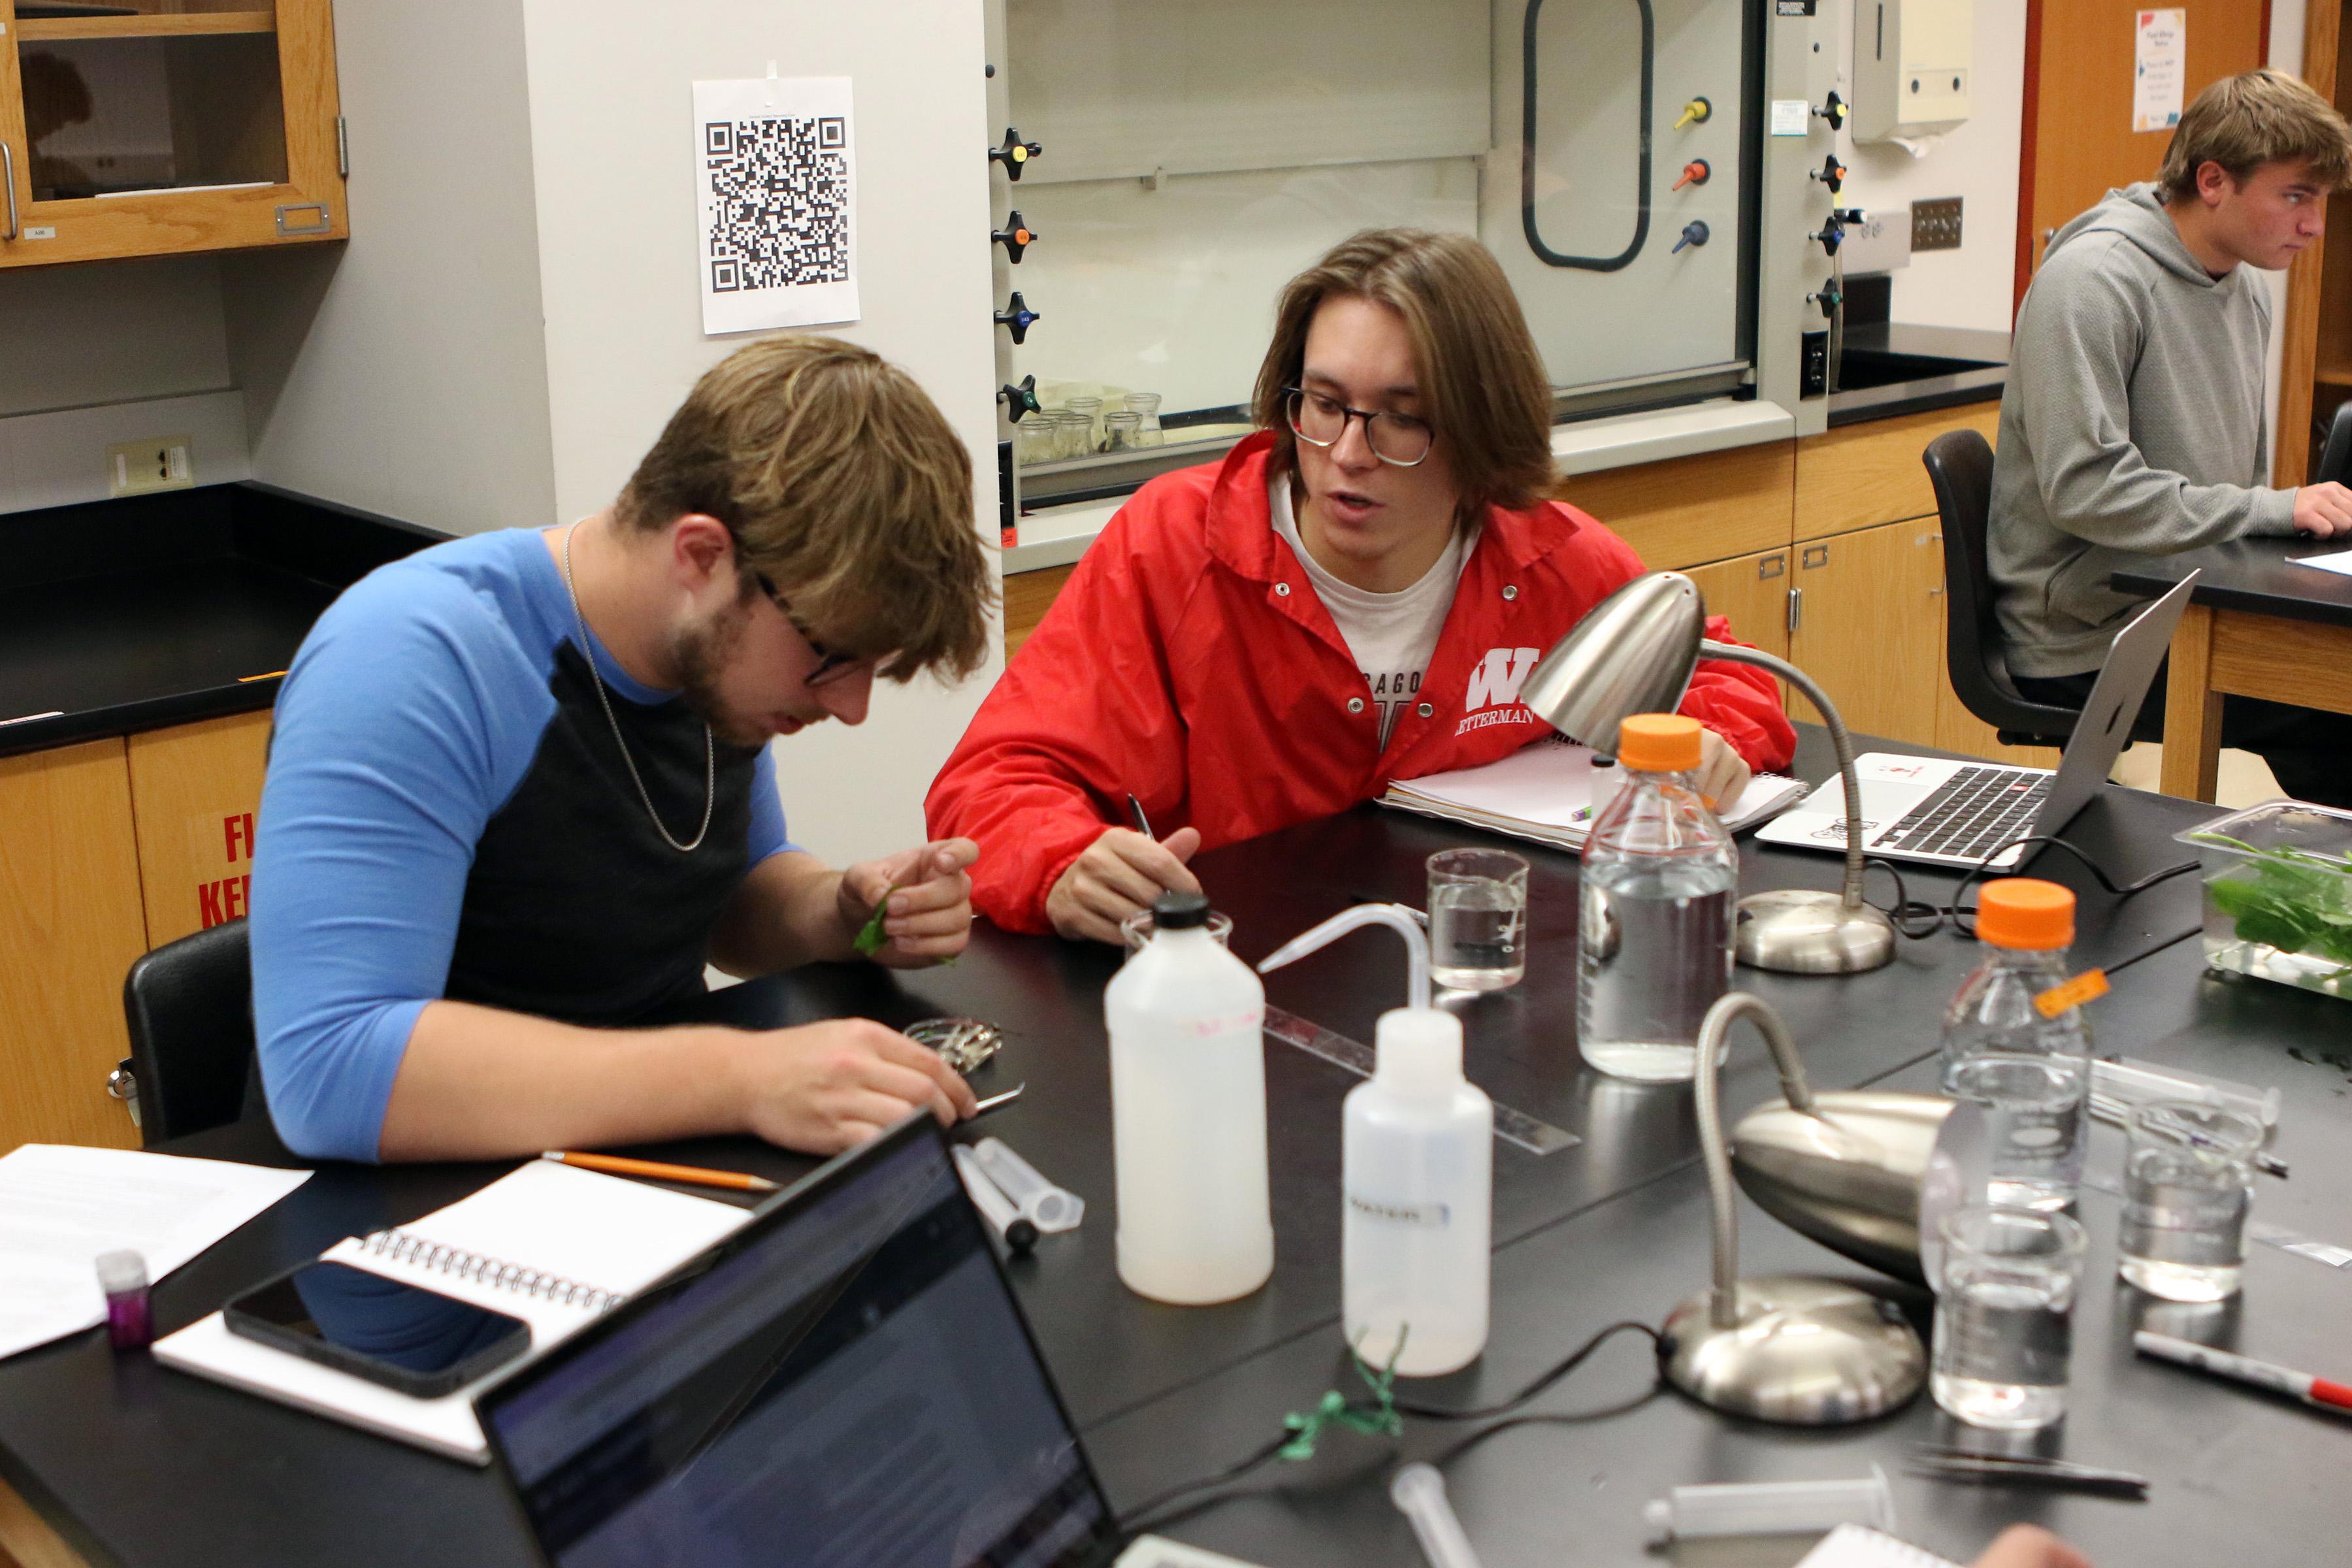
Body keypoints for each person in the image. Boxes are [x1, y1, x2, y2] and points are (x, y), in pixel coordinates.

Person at [927, 229, 1794, 942]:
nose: (1347, 453)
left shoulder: (1544, 556)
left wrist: (1709, 740)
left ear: (1482, 431)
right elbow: (994, 782)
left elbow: (1724, 676)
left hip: (1470, 973)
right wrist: (1061, 862)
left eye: (1403, 419)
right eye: (1324, 403)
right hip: (1230, 984)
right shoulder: (1177, 545)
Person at [251, 336, 996, 1163]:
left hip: (628, 1154)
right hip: (415, 1194)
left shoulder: (705, 659)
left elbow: (727, 904)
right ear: (703, 555)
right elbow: (330, 1069)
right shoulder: (412, 657)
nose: (850, 708)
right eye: (832, 656)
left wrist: (837, 913)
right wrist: (741, 1078)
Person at [1991, 68, 2352, 807]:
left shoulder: (2243, 285)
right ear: (2213, 181)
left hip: (2187, 598)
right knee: (2335, 715)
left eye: (2322, 200)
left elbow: (2227, 486)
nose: (2316, 224)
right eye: (2296, 196)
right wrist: (2270, 509)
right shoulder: (2094, 282)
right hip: (2091, 635)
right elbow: (2087, 491)